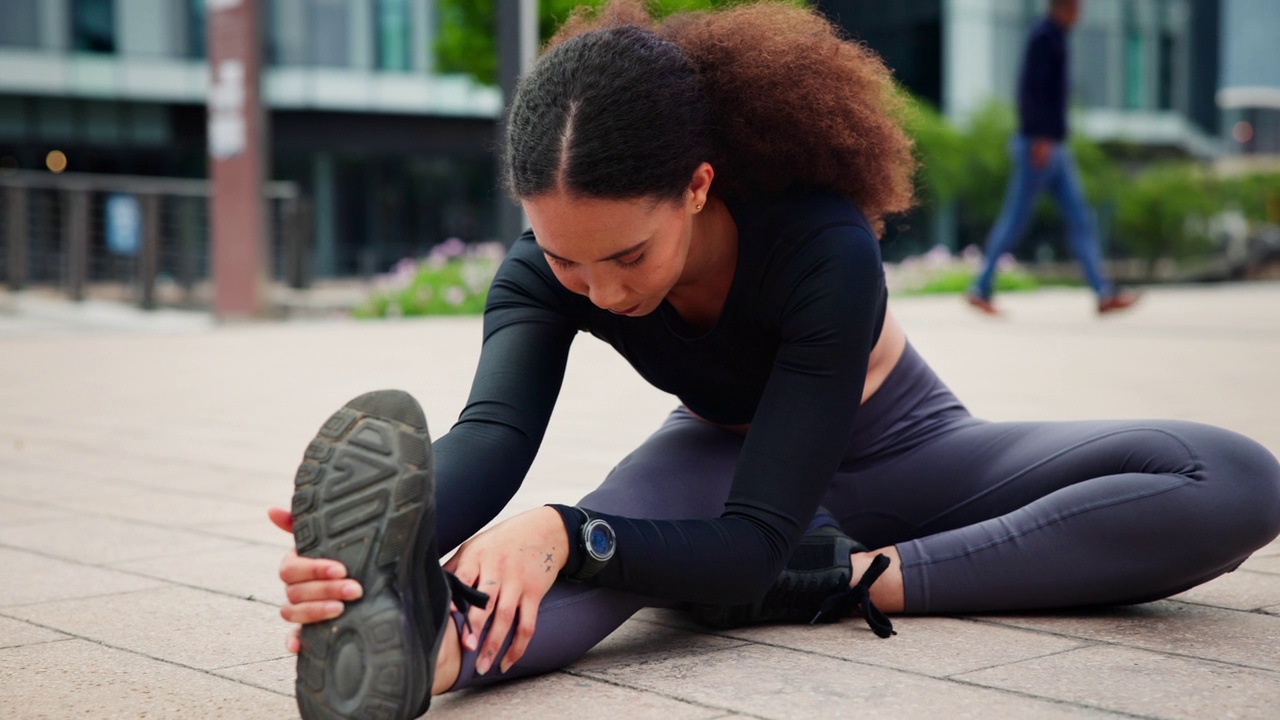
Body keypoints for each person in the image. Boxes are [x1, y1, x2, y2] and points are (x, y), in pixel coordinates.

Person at [268, 3, 1280, 719]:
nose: (603, 290)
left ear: (699, 187)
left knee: (1232, 478)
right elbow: (492, 436)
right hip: (718, 459)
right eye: (565, 259)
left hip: (911, 447)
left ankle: (855, 578)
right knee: (567, 563)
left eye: (628, 255)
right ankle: (426, 653)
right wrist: (383, 549)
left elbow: (752, 547)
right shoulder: (541, 275)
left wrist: (568, 531)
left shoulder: (820, 248)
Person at [965, 0, 1141, 316]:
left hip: (1056, 148)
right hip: (1040, 146)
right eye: (1076, 7)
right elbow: (1030, 92)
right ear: (1063, 7)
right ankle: (981, 287)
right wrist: (1040, 137)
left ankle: (1103, 293)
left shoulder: (1056, 37)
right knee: (1015, 219)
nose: (1081, 13)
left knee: (1079, 218)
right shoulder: (1043, 38)